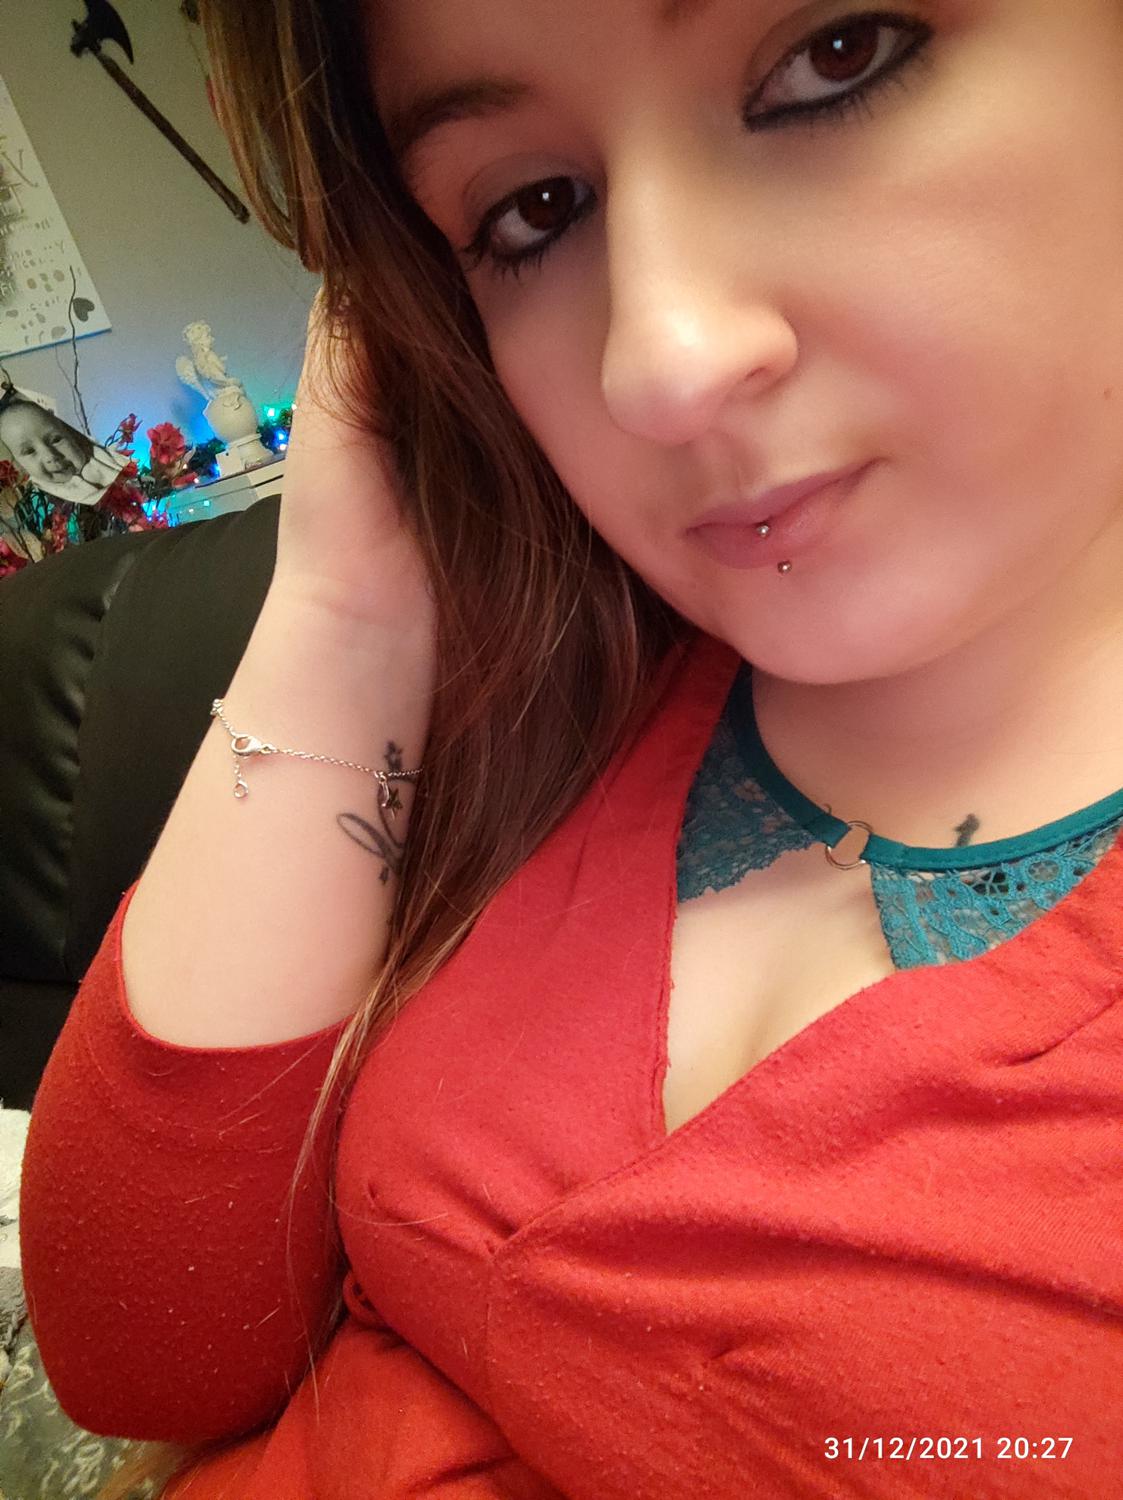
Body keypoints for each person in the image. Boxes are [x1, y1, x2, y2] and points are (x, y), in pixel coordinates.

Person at [18, 0, 1123, 1496]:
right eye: (534, 210)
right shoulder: (558, 696)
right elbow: (141, 1351)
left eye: (834, 60)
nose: (656, 364)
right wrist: (345, 615)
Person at [0, 388, 126, 506]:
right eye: (29, 451)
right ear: (19, 465)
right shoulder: (37, 501)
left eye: (56, 440)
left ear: (74, 435)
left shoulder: (104, 457)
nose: (50, 456)